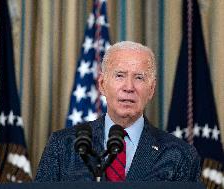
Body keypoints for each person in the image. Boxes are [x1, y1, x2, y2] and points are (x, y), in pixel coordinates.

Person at [35, 41, 200, 182]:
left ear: (151, 89)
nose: (129, 87)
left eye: (139, 78)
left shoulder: (180, 154)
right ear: (102, 84)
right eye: (119, 76)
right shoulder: (62, 145)